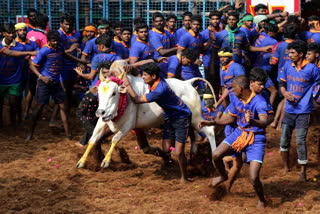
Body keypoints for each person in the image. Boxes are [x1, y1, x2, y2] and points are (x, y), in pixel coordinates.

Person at [198, 75, 269, 208]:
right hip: (239, 133)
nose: (232, 90)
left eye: (234, 88)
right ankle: (223, 176)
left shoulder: (259, 101)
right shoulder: (237, 100)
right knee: (216, 155)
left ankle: (261, 199)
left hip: (256, 139)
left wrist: (252, 121)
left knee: (253, 177)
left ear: (241, 89)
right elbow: (230, 118)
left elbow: (264, 122)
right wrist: (212, 122)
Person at [123, 62, 192, 183]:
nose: (142, 77)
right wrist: (130, 70)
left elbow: (136, 99)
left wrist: (126, 82)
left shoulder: (159, 90)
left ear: (153, 76)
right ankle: (170, 162)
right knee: (165, 149)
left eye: (145, 75)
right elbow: (139, 75)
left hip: (181, 117)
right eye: (142, 74)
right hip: (168, 116)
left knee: (179, 151)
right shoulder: (154, 81)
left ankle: (184, 177)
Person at [25, 30, 87, 142]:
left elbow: (65, 55)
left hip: (56, 82)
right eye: (53, 41)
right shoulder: (44, 51)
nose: (56, 43)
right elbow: (33, 65)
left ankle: (69, 135)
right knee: (39, 108)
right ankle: (30, 134)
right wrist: (41, 76)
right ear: (49, 40)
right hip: (44, 83)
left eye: (57, 41)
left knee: (64, 107)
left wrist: (80, 61)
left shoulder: (60, 47)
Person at [278, 40, 320, 182]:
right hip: (289, 109)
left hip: (303, 111)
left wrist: (315, 97)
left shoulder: (312, 69)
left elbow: (318, 83)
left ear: (301, 54)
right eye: (289, 52)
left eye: (292, 52)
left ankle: (303, 171)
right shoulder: (287, 65)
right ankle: (285, 167)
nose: (290, 55)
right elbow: (282, 83)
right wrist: (284, 93)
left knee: (300, 141)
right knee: (284, 139)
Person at [14, 23, 40, 122]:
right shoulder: (13, 43)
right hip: (17, 73)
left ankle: (26, 112)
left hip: (30, 72)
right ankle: (18, 116)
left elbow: (38, 53)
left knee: (31, 91)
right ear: (16, 32)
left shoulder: (32, 43)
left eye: (24, 30)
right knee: (17, 95)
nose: (23, 32)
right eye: (20, 30)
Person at [200, 10, 222, 90]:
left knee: (220, 86)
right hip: (208, 63)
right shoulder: (204, 33)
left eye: (217, 19)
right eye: (213, 19)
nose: (215, 21)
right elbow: (202, 50)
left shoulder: (223, 32)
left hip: (221, 63)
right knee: (210, 87)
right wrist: (210, 41)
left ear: (220, 20)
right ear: (210, 20)